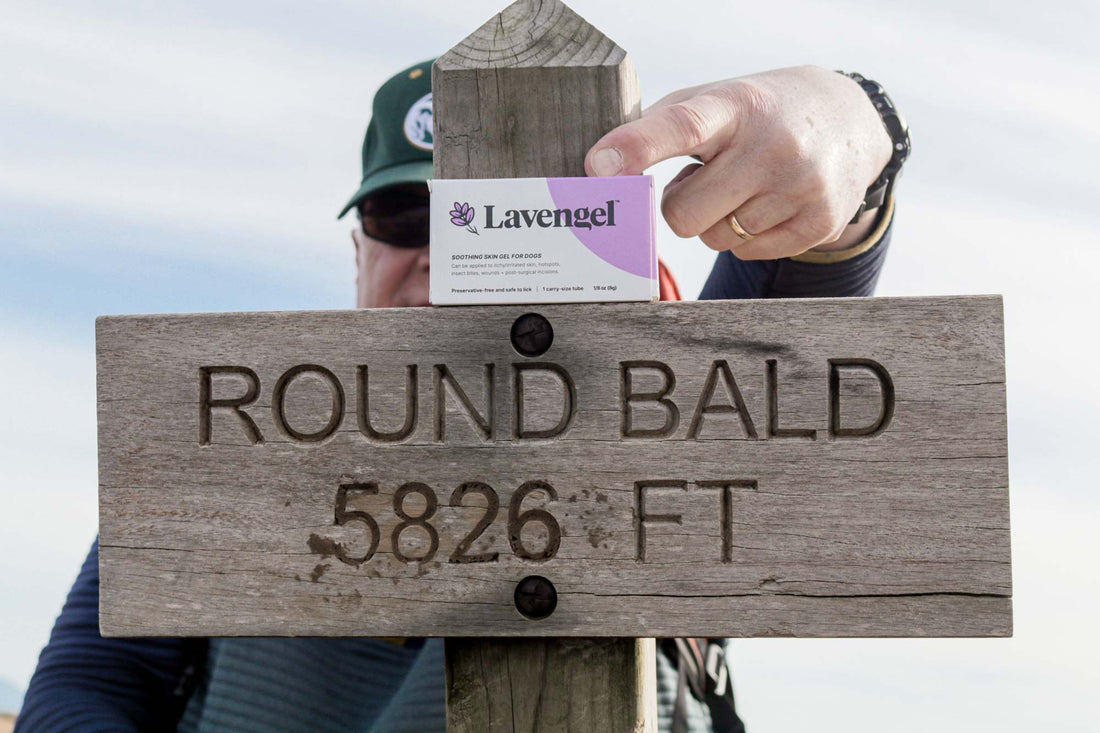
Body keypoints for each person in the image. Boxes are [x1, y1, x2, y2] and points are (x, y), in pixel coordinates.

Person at [17, 56, 904, 732]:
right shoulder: (224, 453)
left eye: (492, 218)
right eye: (405, 219)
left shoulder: (660, 426)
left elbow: (786, 310)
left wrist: (860, 127)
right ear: (357, 256)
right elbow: (87, 687)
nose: (442, 252)